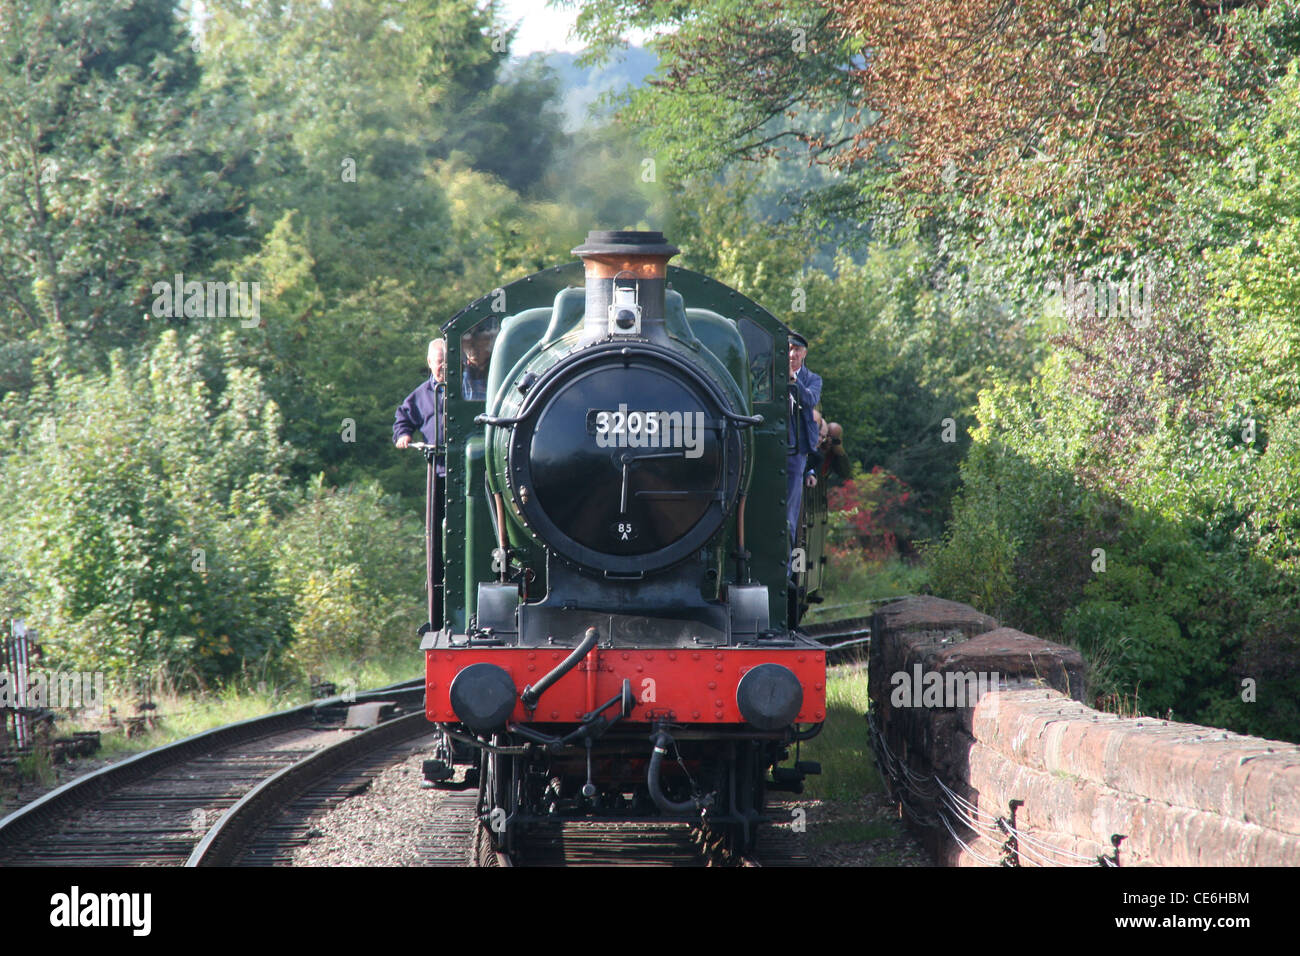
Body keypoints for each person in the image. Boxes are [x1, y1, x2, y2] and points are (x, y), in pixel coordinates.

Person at [786, 331, 822, 543]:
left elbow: (809, 399)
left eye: (796, 350)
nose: (792, 354)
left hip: (796, 450)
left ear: (804, 353)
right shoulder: (770, 375)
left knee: (789, 512)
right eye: (789, 349)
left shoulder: (813, 379)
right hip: (774, 445)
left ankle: (787, 571)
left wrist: (792, 381)